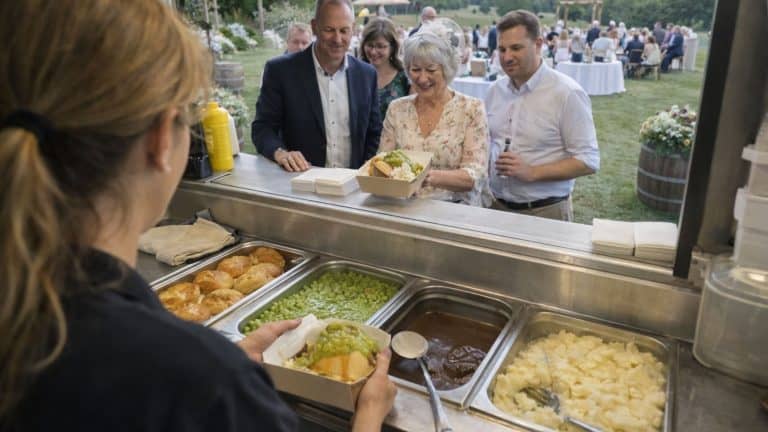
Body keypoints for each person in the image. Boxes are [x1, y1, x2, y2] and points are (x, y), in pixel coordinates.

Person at [0, 1, 397, 431]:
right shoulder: (204, 388)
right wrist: (369, 414)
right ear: (161, 140)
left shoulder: (27, 314)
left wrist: (230, 362)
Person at [485, 10, 600, 221]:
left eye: (516, 48)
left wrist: (532, 172)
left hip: (544, 212)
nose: (507, 57)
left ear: (538, 44)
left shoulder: (567, 93)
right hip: (495, 206)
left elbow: (588, 160)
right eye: (502, 49)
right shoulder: (495, 91)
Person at [252, 0, 382, 172]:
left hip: (352, 183)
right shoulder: (280, 71)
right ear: (314, 27)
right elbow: (263, 128)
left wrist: (365, 172)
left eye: (344, 30)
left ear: (353, 28)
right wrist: (281, 153)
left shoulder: (367, 75)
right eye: (329, 29)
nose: (337, 39)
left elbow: (374, 132)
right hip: (298, 180)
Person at [379, 25, 489, 206]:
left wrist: (427, 176)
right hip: (404, 209)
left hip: (456, 210)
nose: (422, 78)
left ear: (447, 69)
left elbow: (475, 174)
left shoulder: (471, 109)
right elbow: (383, 162)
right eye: (415, 69)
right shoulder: (397, 109)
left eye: (431, 70)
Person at [360, 18, 410, 121]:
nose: (373, 52)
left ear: (392, 47)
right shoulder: (355, 74)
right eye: (370, 45)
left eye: (380, 46)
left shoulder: (405, 76)